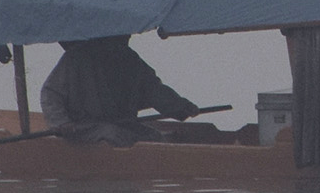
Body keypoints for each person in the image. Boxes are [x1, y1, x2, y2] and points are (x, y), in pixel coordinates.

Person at [40, 35, 200, 144]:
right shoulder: (76, 58)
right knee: (115, 135)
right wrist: (62, 123)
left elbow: (154, 90)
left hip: (122, 123)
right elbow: (50, 94)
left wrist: (180, 106)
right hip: (83, 127)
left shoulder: (130, 59)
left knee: (153, 136)